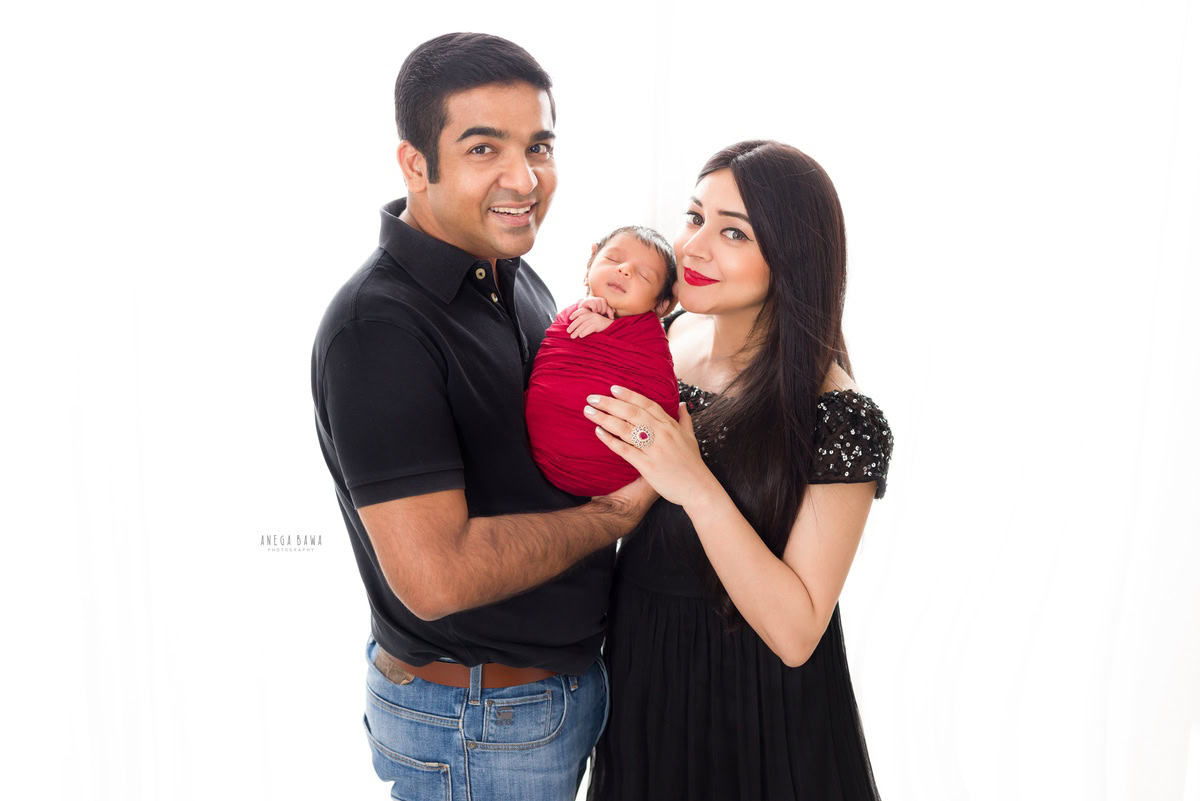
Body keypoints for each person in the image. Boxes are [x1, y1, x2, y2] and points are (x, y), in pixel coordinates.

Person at [309, 33, 656, 801]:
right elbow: (436, 576)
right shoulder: (380, 329)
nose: (523, 178)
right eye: (482, 149)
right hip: (480, 717)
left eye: (539, 145)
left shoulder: (511, 274)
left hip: (540, 699)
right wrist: (615, 515)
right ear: (415, 164)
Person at [585, 140, 896, 800]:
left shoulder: (837, 416)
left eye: (733, 232)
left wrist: (695, 483)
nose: (694, 247)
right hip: (643, 688)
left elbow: (794, 631)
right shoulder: (665, 339)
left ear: (790, 257)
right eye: (695, 217)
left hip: (754, 719)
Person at [524, 226, 680, 497]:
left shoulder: (649, 340)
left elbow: (660, 394)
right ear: (590, 262)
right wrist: (583, 315)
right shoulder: (567, 314)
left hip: (616, 474)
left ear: (662, 305)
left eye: (643, 274)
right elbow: (555, 359)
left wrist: (608, 330)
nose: (625, 270)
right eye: (613, 259)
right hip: (538, 461)